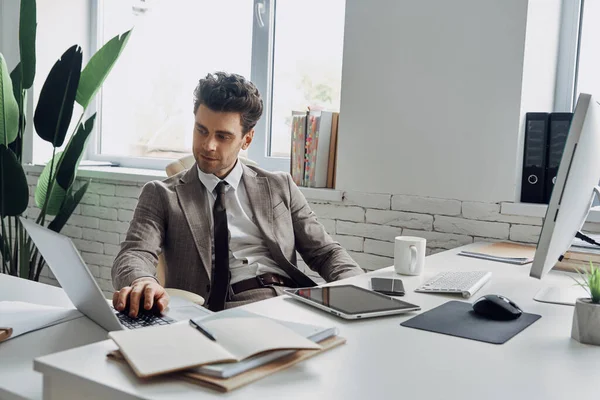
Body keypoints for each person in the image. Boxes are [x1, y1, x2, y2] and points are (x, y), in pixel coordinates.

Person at [111, 72, 363, 317]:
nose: (209, 145)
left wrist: (359, 287)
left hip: (288, 300)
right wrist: (143, 280)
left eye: (223, 136)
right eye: (201, 130)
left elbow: (326, 252)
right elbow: (134, 253)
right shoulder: (161, 194)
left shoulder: (279, 186)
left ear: (247, 139)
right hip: (215, 310)